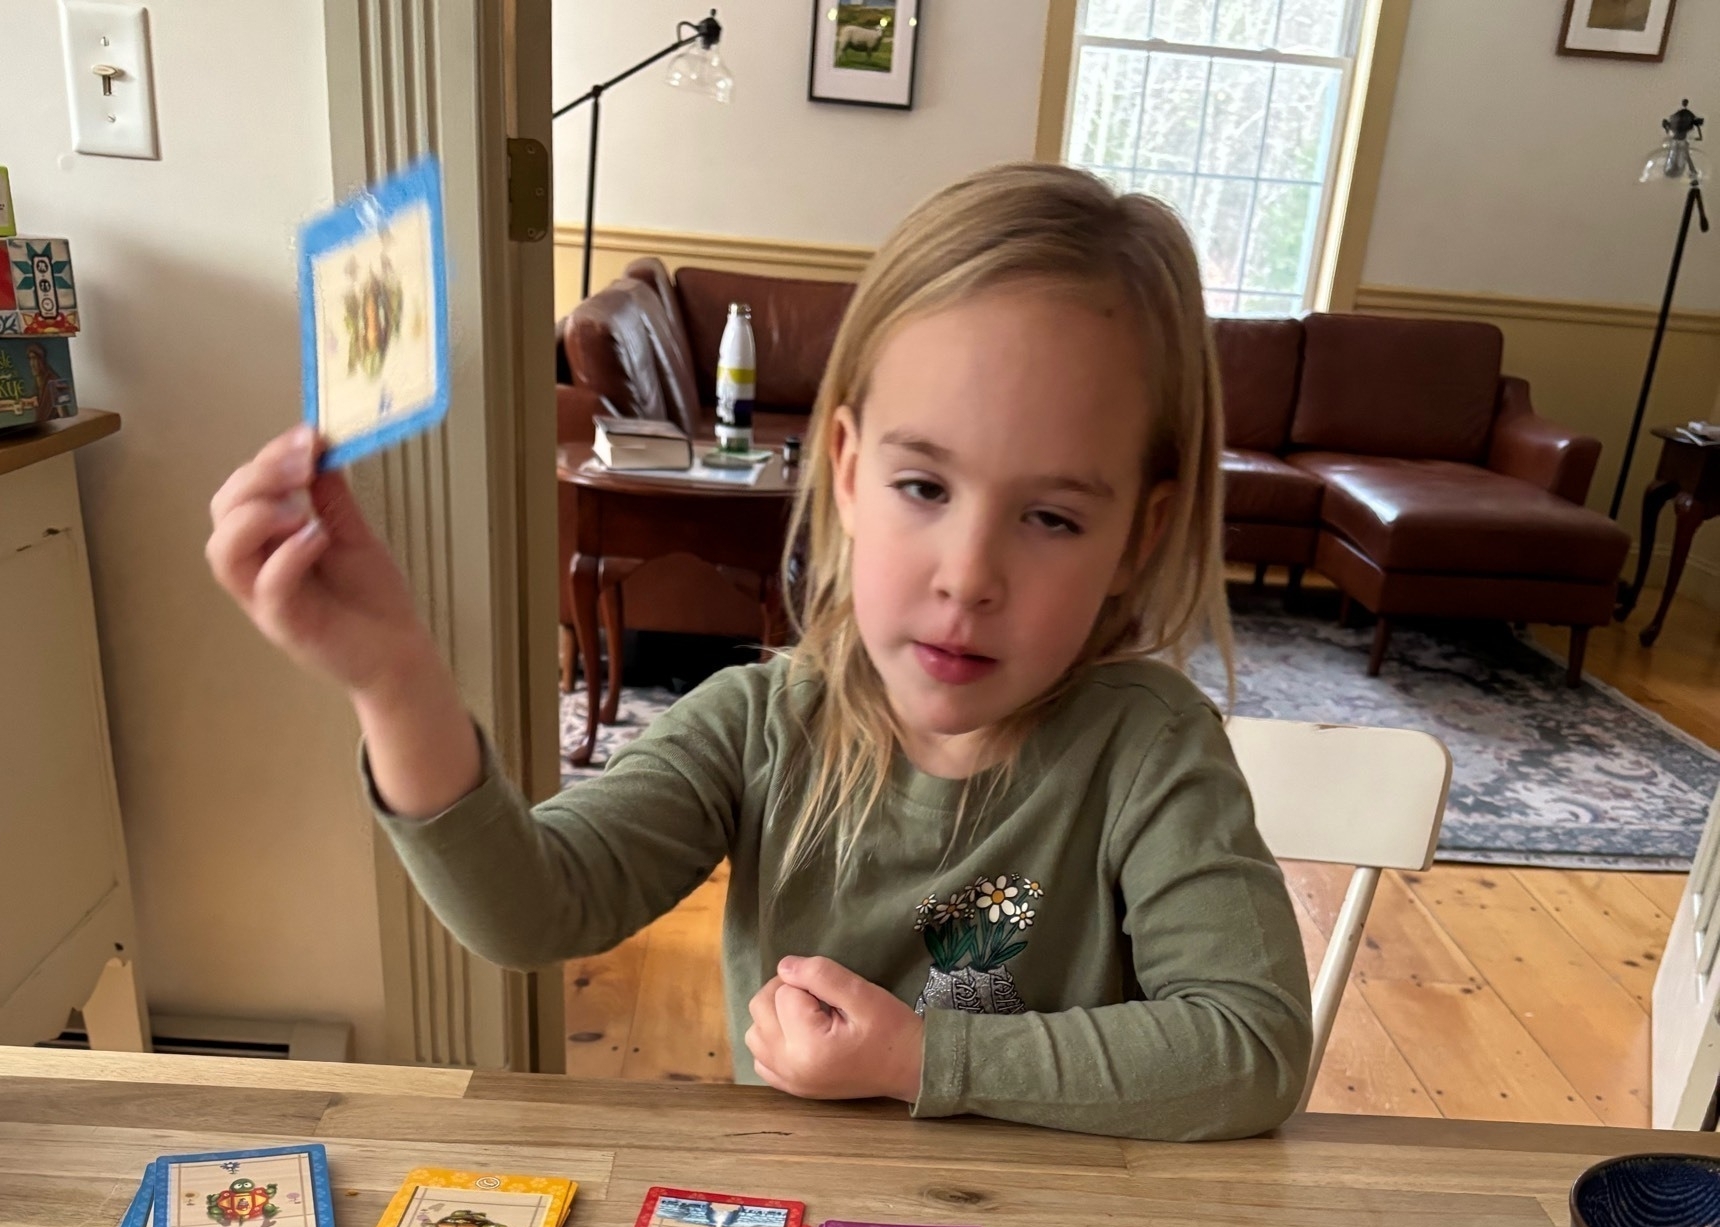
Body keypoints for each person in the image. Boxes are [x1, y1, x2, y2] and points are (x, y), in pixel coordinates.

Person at [207, 161, 1312, 1139]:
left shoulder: (1150, 750)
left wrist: (918, 1059)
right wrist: (394, 680)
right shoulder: (758, 723)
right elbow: (532, 907)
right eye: (923, 486)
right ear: (844, 469)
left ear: (1139, 538)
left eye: (1054, 518)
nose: (968, 576)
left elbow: (1251, 1051)